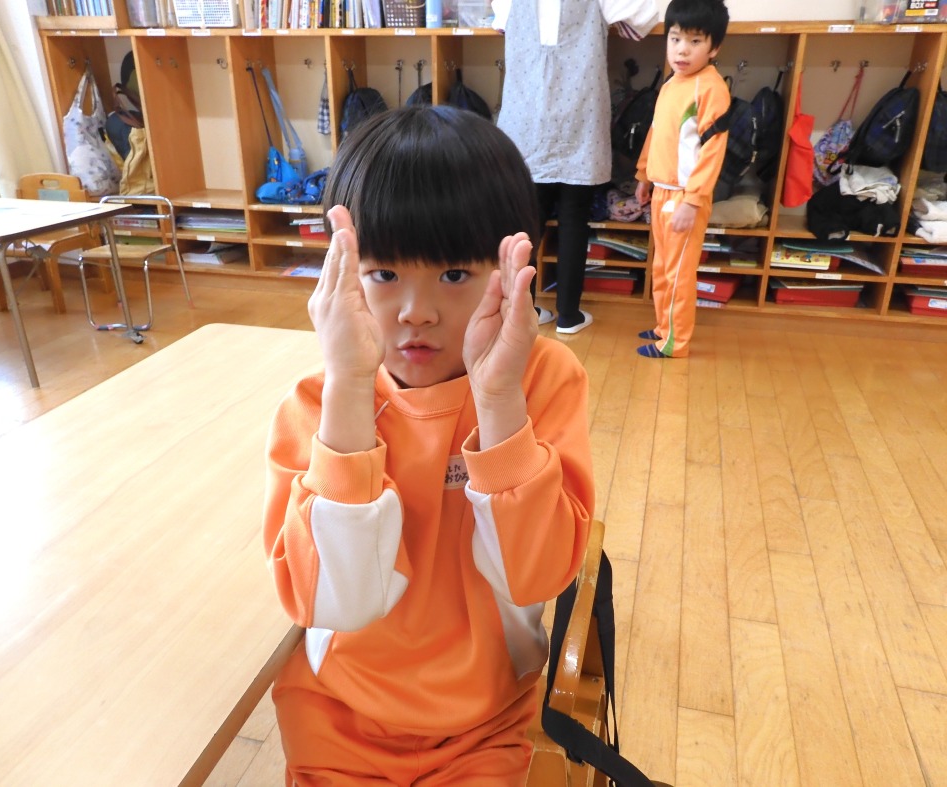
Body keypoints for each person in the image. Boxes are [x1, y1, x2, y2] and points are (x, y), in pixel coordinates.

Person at [263, 105, 595, 785]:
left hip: (485, 720)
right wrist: (350, 388)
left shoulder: (540, 380)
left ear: (510, 267)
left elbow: (537, 576)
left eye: (453, 275)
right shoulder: (319, 402)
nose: (416, 311)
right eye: (384, 275)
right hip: (336, 715)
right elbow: (333, 601)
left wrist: (497, 401)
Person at [494, 0, 659, 335]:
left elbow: (500, 24)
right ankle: (568, 315)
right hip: (579, 121)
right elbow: (646, 16)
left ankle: (523, 311)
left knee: (527, 220)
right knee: (574, 218)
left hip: (526, 126)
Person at [634, 0, 730, 358]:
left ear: (714, 47)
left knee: (678, 273)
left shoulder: (710, 88)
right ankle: (664, 327)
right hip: (662, 192)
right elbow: (657, 132)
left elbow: (713, 150)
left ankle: (674, 343)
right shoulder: (672, 83)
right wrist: (644, 175)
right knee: (662, 267)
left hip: (685, 198)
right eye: (675, 39)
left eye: (694, 41)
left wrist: (692, 200)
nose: (682, 50)